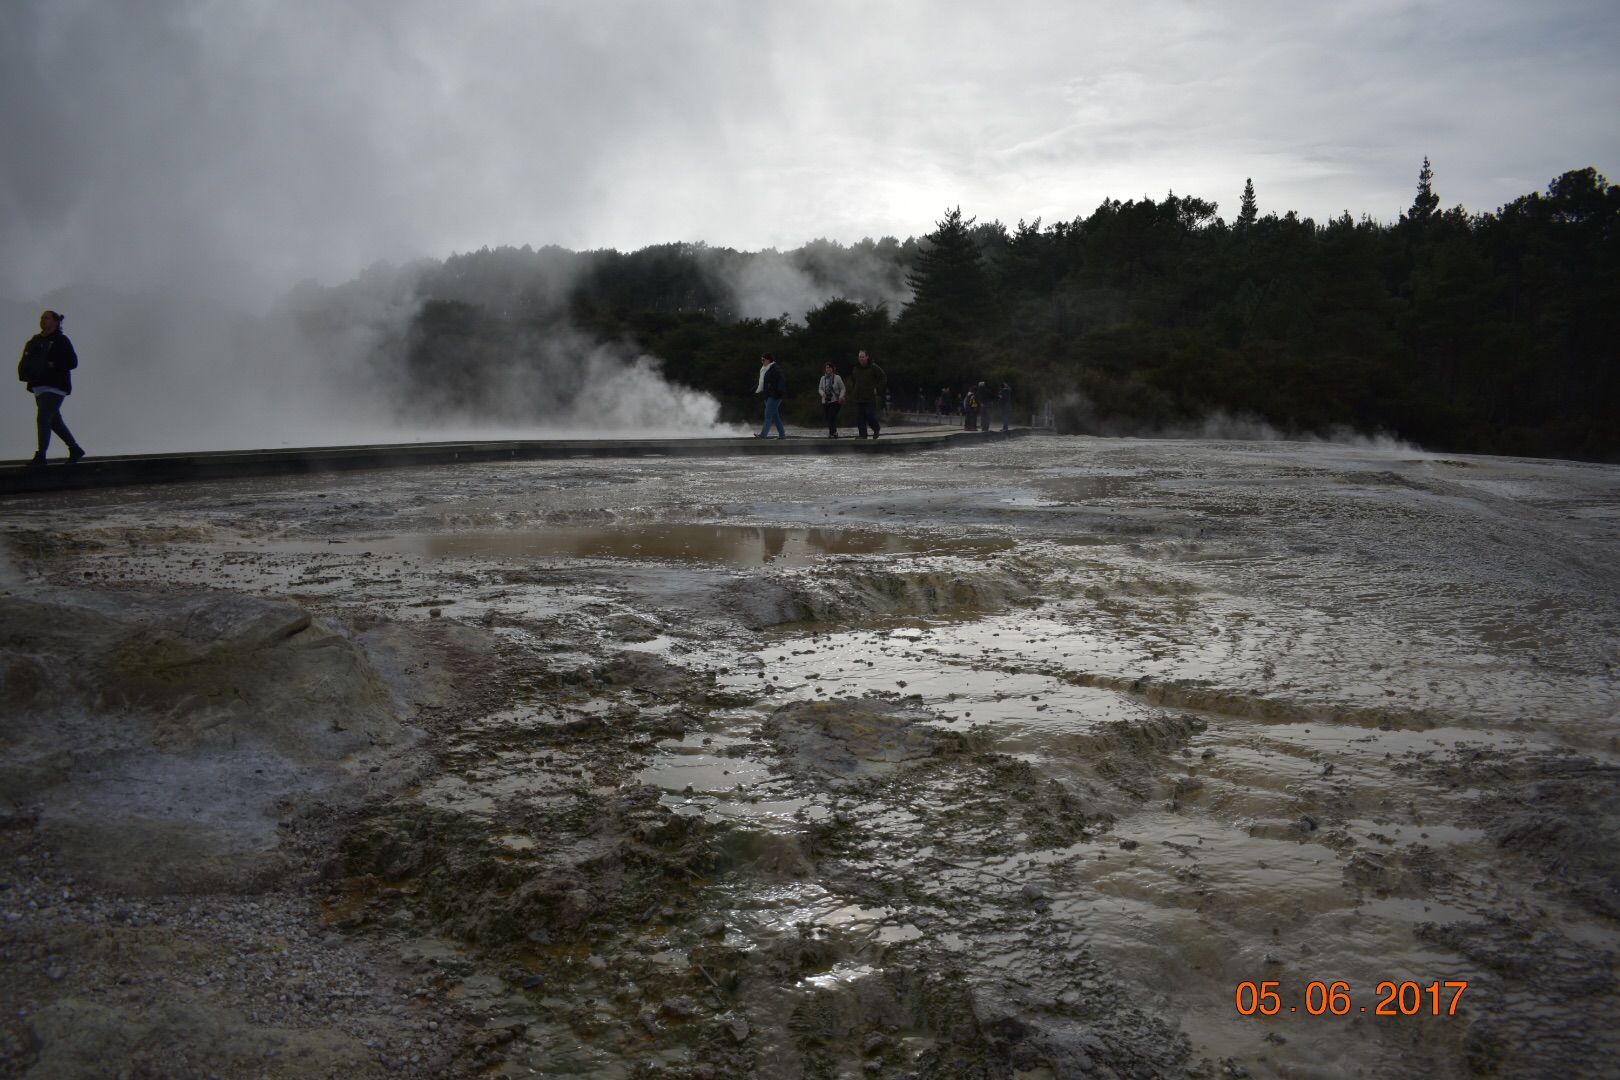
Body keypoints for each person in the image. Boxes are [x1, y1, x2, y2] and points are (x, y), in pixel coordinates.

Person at [18, 310, 85, 465]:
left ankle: (41, 455)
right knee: (54, 421)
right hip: (39, 386)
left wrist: (53, 364)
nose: (43, 321)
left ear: (56, 322)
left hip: (55, 386)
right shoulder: (35, 340)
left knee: (43, 417)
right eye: (42, 318)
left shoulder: (62, 340)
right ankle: (75, 449)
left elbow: (73, 363)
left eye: (47, 318)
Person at [845, 349, 886, 439]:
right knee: (860, 418)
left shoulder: (873, 367)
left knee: (870, 415)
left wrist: (878, 389)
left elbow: (883, 377)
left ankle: (876, 428)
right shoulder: (856, 368)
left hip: (870, 397)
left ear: (867, 357)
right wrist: (854, 390)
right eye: (860, 357)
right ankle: (863, 435)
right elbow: (853, 380)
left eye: (863, 357)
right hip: (859, 397)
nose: (861, 359)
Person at [755, 352, 786, 439]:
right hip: (768, 396)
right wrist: (755, 387)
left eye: (763, 360)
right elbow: (765, 382)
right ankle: (782, 436)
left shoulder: (775, 368)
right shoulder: (765, 369)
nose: (762, 361)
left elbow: (781, 380)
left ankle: (763, 435)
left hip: (775, 396)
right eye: (761, 360)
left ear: (769, 360)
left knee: (768, 414)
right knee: (775, 417)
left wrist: (779, 391)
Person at [818, 361, 846, 437]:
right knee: (829, 418)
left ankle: (832, 433)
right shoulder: (822, 378)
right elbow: (820, 389)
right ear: (825, 369)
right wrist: (823, 394)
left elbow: (843, 388)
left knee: (831, 417)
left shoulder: (837, 377)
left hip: (835, 401)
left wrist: (841, 396)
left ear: (833, 369)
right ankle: (834, 432)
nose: (828, 369)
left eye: (830, 367)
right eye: (827, 367)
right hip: (826, 401)